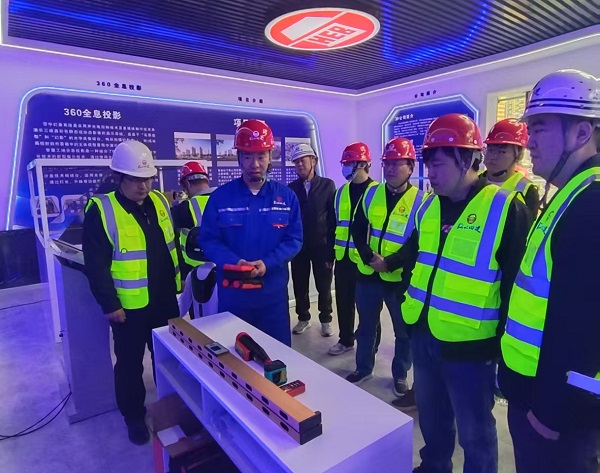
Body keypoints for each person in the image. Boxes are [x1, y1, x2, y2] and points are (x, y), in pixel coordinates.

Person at [401, 114, 531, 473]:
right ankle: (434, 466)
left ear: (466, 160)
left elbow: (515, 287)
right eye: (428, 164)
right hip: (424, 333)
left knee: (475, 432)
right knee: (432, 420)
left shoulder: (505, 208)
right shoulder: (428, 206)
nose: (431, 174)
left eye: (439, 164)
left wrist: (504, 349)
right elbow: (417, 262)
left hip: (471, 347)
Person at [498, 69, 600, 473]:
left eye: (540, 128)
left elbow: (584, 323)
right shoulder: (571, 193)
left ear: (581, 133)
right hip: (535, 389)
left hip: (556, 410)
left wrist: (551, 413)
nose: (529, 141)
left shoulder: (591, 204)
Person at [83, 140, 181, 445]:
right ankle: (134, 416)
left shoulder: (159, 202)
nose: (143, 186)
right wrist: (109, 303)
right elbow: (96, 264)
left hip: (164, 300)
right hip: (128, 307)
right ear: (118, 177)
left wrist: (180, 287)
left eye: (147, 179)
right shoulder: (102, 210)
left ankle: (172, 408)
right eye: (135, 179)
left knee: (168, 358)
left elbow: (171, 246)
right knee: (129, 365)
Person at [199, 119, 302, 346]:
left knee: (277, 356)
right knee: (233, 356)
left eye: (261, 156)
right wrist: (236, 262)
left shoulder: (286, 197)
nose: (255, 164)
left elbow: (294, 239)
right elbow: (208, 239)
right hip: (234, 298)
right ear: (239, 158)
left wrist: (268, 262)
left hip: (272, 298)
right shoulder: (221, 198)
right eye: (247, 156)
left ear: (270, 156)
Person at [348, 137, 423, 402]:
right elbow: (357, 228)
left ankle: (400, 375)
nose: (390, 168)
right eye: (387, 163)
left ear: (410, 167)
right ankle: (363, 368)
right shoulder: (371, 194)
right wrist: (370, 258)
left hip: (399, 279)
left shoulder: (422, 201)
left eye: (396, 163)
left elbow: (417, 243)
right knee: (366, 326)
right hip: (369, 274)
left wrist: (389, 263)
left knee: (403, 332)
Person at [328, 142, 378, 356]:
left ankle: (371, 346)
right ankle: (346, 339)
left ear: (363, 164)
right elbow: (333, 225)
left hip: (367, 260)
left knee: (368, 308)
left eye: (350, 163)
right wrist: (330, 254)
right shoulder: (340, 193)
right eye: (345, 163)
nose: (346, 167)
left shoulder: (378, 192)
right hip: (343, 258)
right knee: (344, 302)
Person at [288, 143, 336, 337]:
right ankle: (303, 318)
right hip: (299, 247)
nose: (299, 164)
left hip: (321, 246)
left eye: (303, 160)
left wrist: (331, 249)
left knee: (324, 286)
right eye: (296, 162)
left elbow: (332, 218)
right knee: (300, 285)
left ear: (313, 161)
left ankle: (326, 320)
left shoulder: (327, 185)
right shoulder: (291, 189)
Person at [171, 161, 216, 318]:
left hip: (197, 276)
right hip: (227, 271)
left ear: (188, 185)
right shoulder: (225, 200)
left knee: (200, 320)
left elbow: (174, 242)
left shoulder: (184, 208)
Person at [480, 118, 540, 217]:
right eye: (490, 150)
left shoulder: (527, 191)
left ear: (518, 155)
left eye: (501, 152)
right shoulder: (474, 182)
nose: (493, 156)